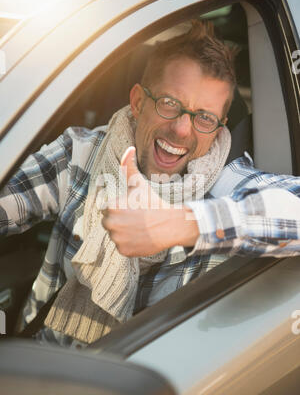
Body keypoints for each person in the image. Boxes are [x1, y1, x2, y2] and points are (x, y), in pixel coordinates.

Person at [1, 20, 300, 348]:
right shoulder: (82, 152)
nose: (183, 130)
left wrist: (184, 224)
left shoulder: (226, 184)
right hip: (40, 358)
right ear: (138, 102)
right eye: (170, 103)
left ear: (218, 127)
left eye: (204, 117)